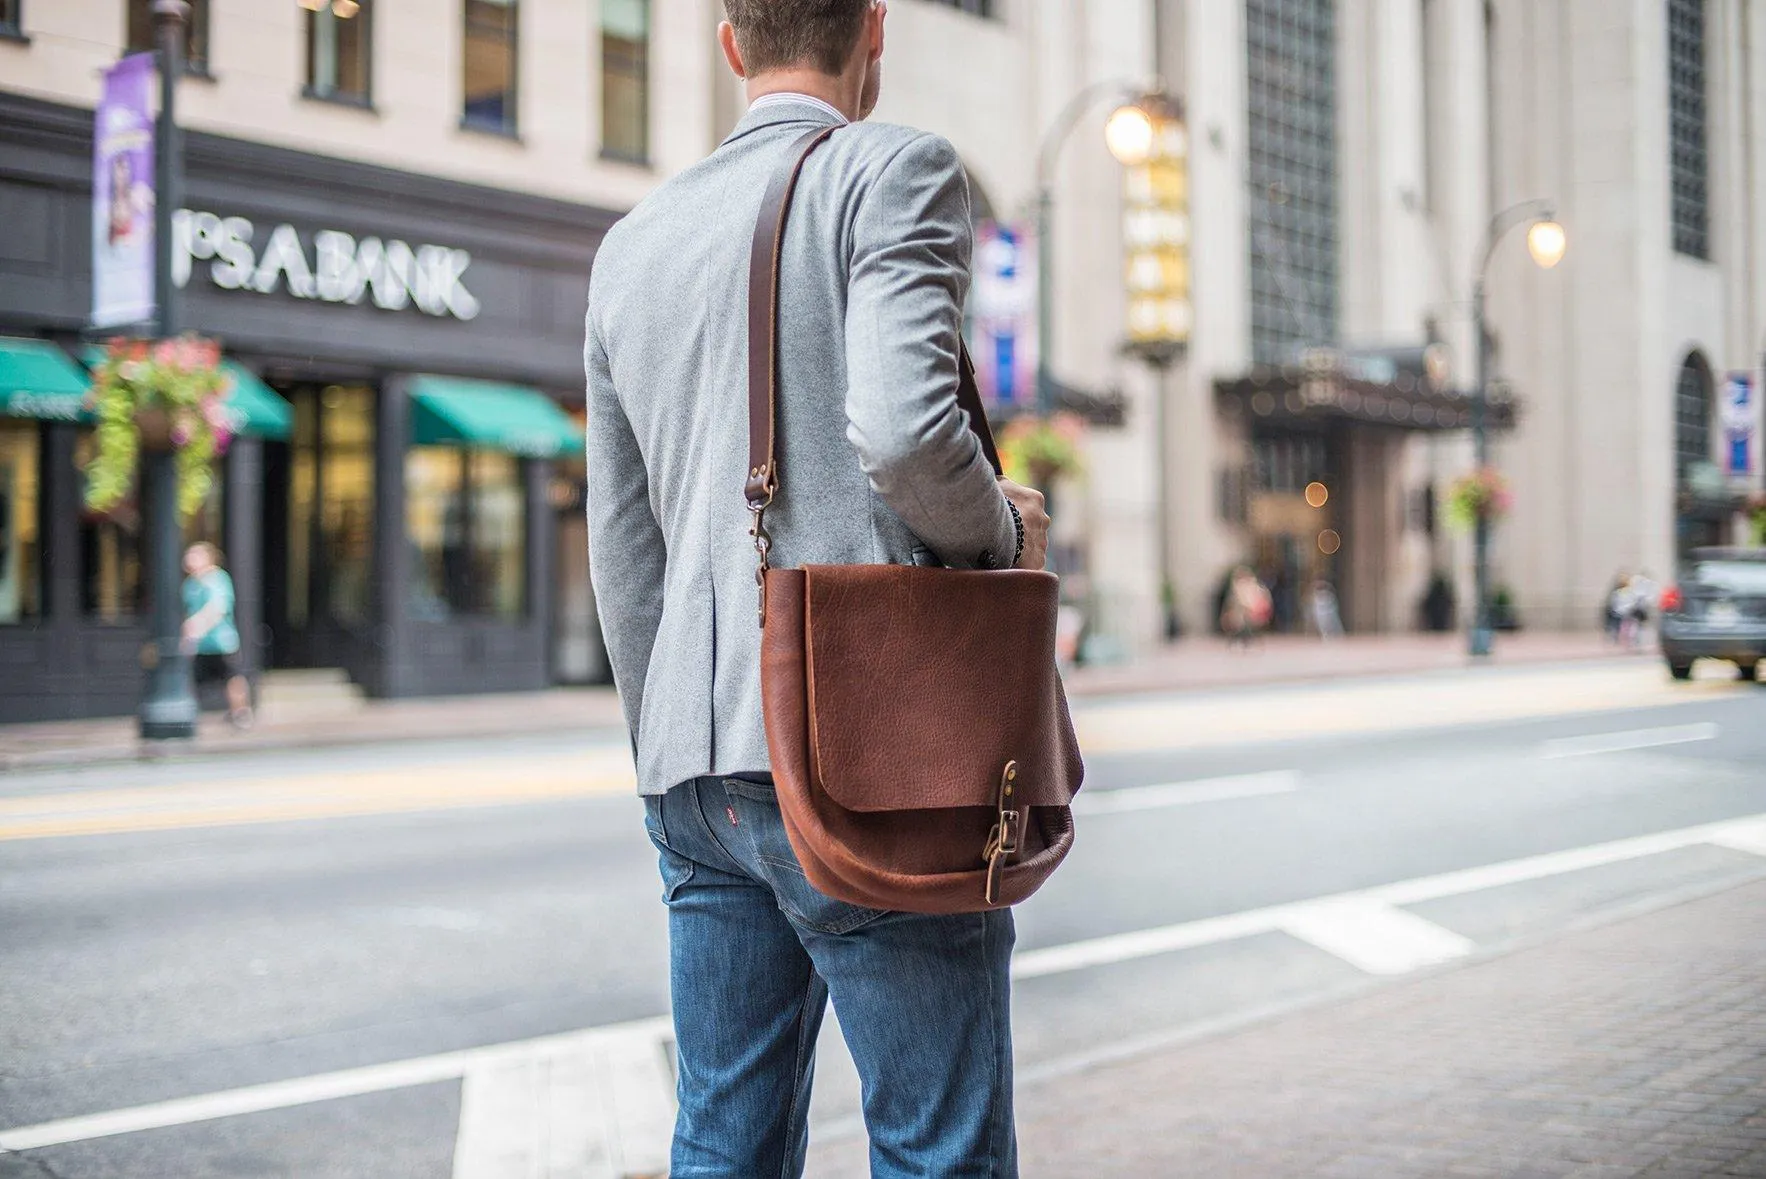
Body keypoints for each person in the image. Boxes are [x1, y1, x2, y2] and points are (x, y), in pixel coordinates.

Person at [583, 3, 1052, 1175]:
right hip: (865, 755)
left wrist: (666, 750)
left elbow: (621, 543)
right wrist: (1000, 536)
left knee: (724, 1141)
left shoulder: (631, 243)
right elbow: (902, 434)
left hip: (693, 771)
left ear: (731, 41)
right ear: (873, 35)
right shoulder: (893, 169)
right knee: (935, 1147)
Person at [180, 542, 252, 728]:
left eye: (195, 554)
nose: (189, 559)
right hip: (200, 644)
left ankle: (240, 713)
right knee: (193, 679)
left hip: (221, 641)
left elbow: (218, 608)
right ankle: (189, 713)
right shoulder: (190, 584)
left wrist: (197, 626)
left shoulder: (217, 579)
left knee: (232, 677)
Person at [1220, 565, 1273, 648]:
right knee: (1239, 613)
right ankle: (1242, 636)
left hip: (1254, 613)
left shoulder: (1256, 588)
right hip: (1242, 615)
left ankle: (1244, 636)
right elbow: (1232, 605)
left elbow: (1262, 603)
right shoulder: (1237, 591)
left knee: (1242, 614)